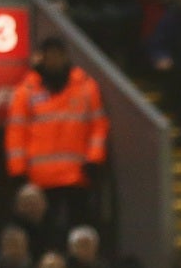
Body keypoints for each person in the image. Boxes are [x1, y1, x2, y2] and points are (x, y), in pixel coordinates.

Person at [6, 37, 109, 236]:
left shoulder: (87, 87)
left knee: (80, 231)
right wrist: (18, 172)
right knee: (44, 234)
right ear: (41, 58)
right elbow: (16, 133)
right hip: (40, 179)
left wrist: (94, 160)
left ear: (65, 57)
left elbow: (98, 126)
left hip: (77, 176)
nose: (53, 60)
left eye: (57, 55)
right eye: (49, 55)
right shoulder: (25, 91)